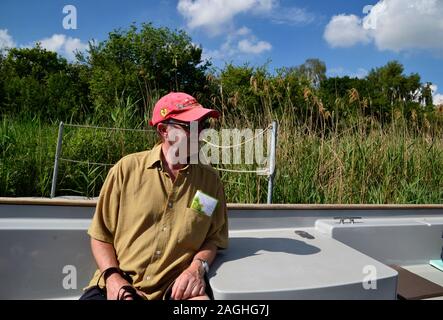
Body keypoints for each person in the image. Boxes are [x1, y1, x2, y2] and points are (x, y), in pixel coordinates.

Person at [80, 92, 229, 300]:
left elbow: (212, 238)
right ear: (164, 130)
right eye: (190, 126)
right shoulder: (126, 170)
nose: (200, 133)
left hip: (176, 291)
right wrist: (114, 279)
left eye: (203, 125)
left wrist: (197, 268)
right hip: (119, 285)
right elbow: (100, 235)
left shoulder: (208, 182)